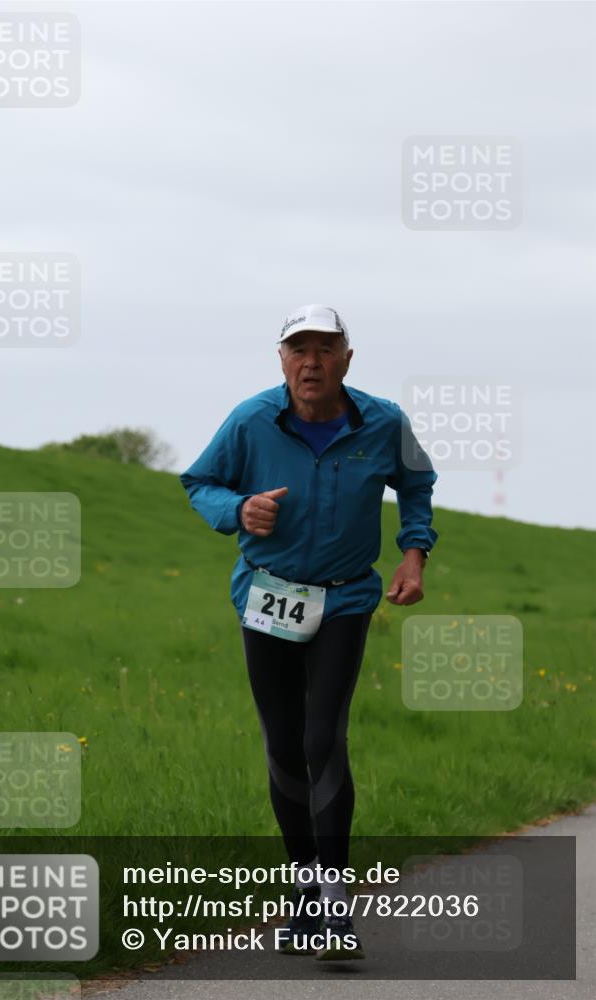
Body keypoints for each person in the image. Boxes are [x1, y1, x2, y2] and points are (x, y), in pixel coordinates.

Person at [180, 304, 438, 961]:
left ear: (347, 359)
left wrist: (414, 552)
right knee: (283, 743)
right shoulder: (249, 420)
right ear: (281, 360)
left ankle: (333, 903)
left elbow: (416, 483)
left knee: (322, 736)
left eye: (324, 349)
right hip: (266, 597)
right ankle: (303, 894)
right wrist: (236, 508)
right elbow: (198, 481)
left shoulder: (382, 421)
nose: (310, 362)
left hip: (345, 597)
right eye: (298, 350)